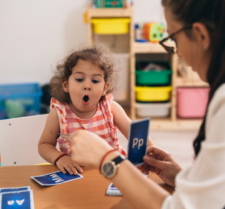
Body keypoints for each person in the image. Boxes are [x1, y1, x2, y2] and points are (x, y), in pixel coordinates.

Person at [69, 0, 225, 209]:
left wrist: (107, 159)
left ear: (201, 35)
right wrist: (183, 177)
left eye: (173, 40)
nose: (176, 54)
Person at [38, 45, 155, 175]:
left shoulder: (110, 108)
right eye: (79, 79)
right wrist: (60, 158)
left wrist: (151, 154)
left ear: (105, 88)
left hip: (113, 172)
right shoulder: (59, 113)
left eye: (95, 80)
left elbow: (137, 136)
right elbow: (44, 145)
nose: (87, 86)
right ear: (66, 85)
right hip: (77, 174)